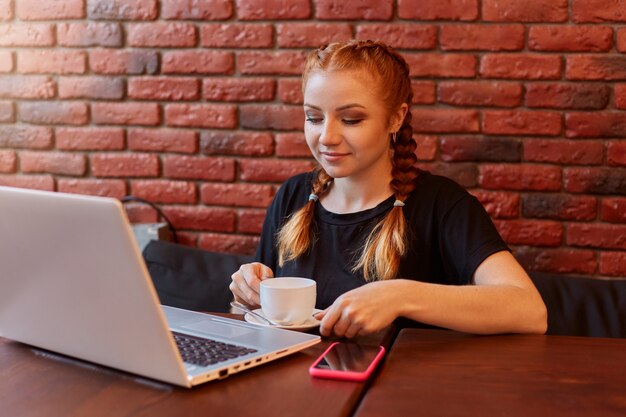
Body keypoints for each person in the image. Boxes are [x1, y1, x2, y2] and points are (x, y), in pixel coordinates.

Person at [230, 40, 547, 338]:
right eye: (313, 117)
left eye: (351, 120)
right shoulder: (293, 196)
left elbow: (530, 311)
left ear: (396, 118)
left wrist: (399, 295)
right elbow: (255, 321)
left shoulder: (442, 204)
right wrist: (246, 296)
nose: (326, 136)